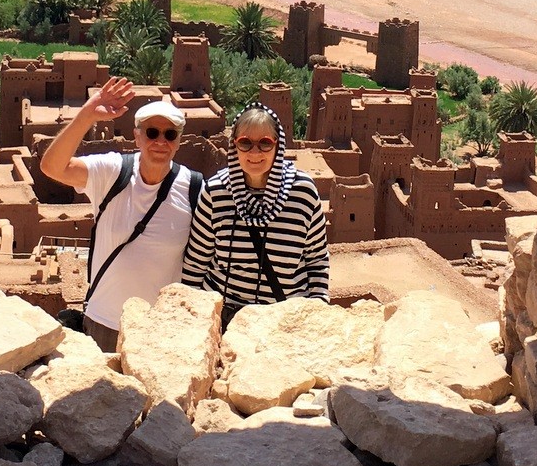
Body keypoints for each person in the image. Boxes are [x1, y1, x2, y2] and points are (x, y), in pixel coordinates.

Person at [39, 75, 202, 352]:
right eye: (152, 132)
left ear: (178, 141)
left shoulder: (194, 188)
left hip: (159, 331)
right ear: (137, 135)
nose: (160, 141)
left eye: (169, 134)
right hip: (104, 325)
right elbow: (53, 167)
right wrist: (87, 115)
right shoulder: (113, 172)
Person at [182, 102, 330, 328]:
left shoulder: (303, 192)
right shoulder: (216, 192)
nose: (254, 152)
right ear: (234, 146)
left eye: (264, 143)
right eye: (245, 143)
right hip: (226, 321)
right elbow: (196, 263)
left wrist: (317, 311)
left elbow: (317, 259)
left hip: (284, 320)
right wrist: (194, 322)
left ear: (277, 146)